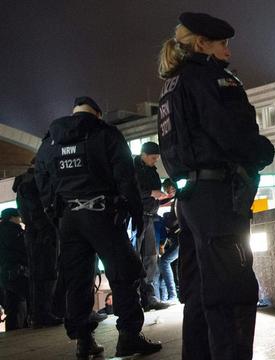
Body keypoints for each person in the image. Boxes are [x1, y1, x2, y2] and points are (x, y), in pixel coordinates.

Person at [157, 12, 274, 359]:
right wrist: (263, 151)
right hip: (218, 196)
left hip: (191, 197)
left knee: (199, 291)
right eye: (223, 44)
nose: (228, 52)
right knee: (233, 289)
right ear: (202, 43)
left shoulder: (172, 84)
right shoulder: (208, 78)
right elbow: (229, 132)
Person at [35, 97, 162, 358]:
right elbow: (126, 177)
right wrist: (134, 213)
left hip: (69, 219)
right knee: (124, 273)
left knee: (77, 280)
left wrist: (55, 213)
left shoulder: (51, 140)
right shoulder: (105, 133)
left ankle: (84, 341)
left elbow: (41, 178)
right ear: (98, 113)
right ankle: (128, 336)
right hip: (103, 214)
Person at [12, 161, 63, 328]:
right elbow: (36, 210)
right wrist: (48, 229)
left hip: (36, 233)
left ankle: (40, 315)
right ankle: (43, 314)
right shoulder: (31, 183)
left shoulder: (25, 182)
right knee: (46, 274)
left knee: (40, 275)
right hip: (41, 233)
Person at [133, 141, 171, 311]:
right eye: (153, 158)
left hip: (150, 216)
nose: (155, 161)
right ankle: (134, 299)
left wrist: (163, 197)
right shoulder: (132, 169)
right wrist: (151, 193)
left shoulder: (151, 170)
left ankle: (150, 297)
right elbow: (130, 191)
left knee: (151, 257)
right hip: (136, 216)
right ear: (144, 155)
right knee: (134, 258)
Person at [0, 208, 29, 331]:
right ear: (12, 218)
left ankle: (13, 332)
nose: (20, 220)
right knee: (18, 306)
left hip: (5, 274)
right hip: (17, 273)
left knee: (12, 306)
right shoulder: (12, 231)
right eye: (18, 217)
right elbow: (23, 249)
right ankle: (17, 332)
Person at [154, 179, 179, 303]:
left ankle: (173, 296)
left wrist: (164, 218)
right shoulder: (175, 200)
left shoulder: (177, 201)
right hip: (176, 239)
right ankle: (166, 298)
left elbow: (174, 220)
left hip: (180, 239)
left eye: (167, 190)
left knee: (164, 262)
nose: (167, 192)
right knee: (164, 265)